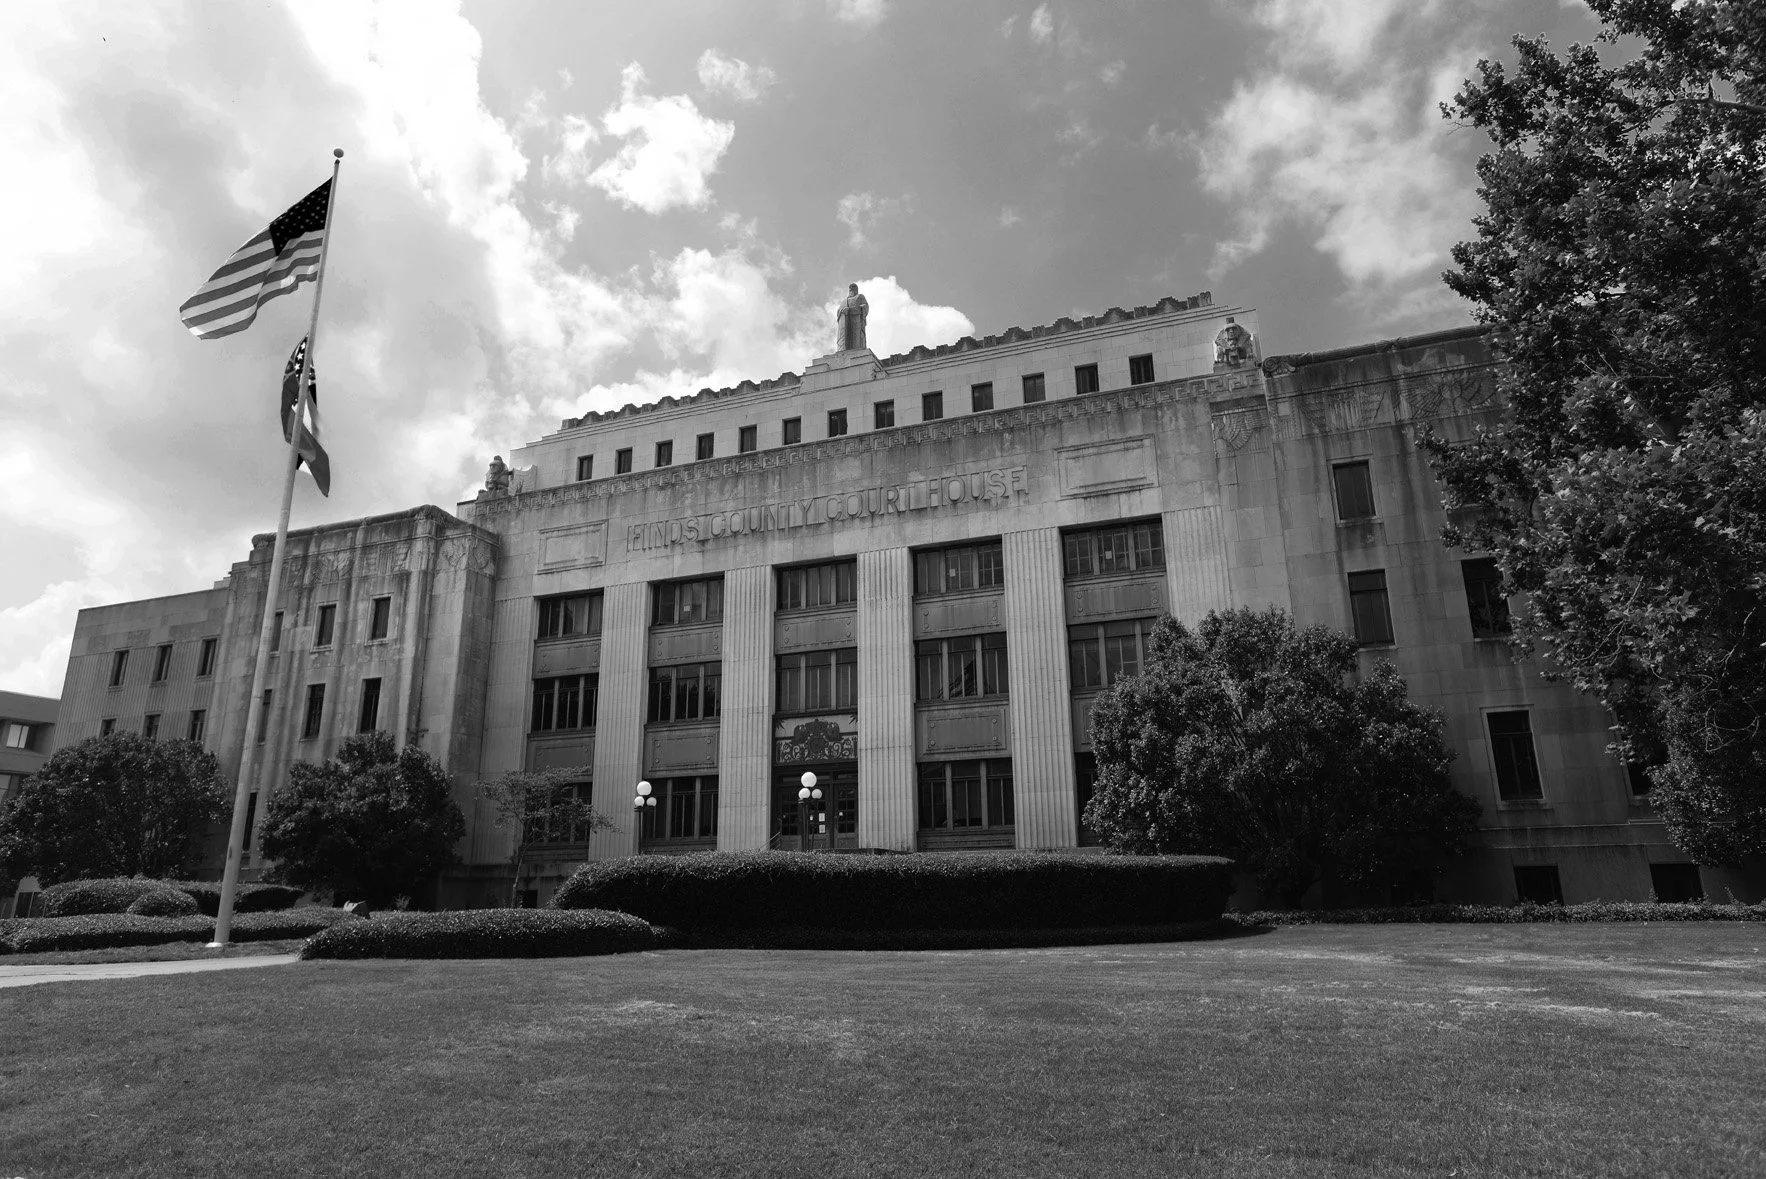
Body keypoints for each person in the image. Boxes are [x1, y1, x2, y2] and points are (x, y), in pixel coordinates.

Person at [836, 283, 869, 351]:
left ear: (856, 290)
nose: (851, 289)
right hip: (846, 321)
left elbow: (865, 306)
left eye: (853, 288)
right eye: (850, 288)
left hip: (856, 320)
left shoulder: (860, 297)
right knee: (846, 338)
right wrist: (843, 311)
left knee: (856, 338)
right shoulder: (844, 301)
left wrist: (857, 309)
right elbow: (838, 311)